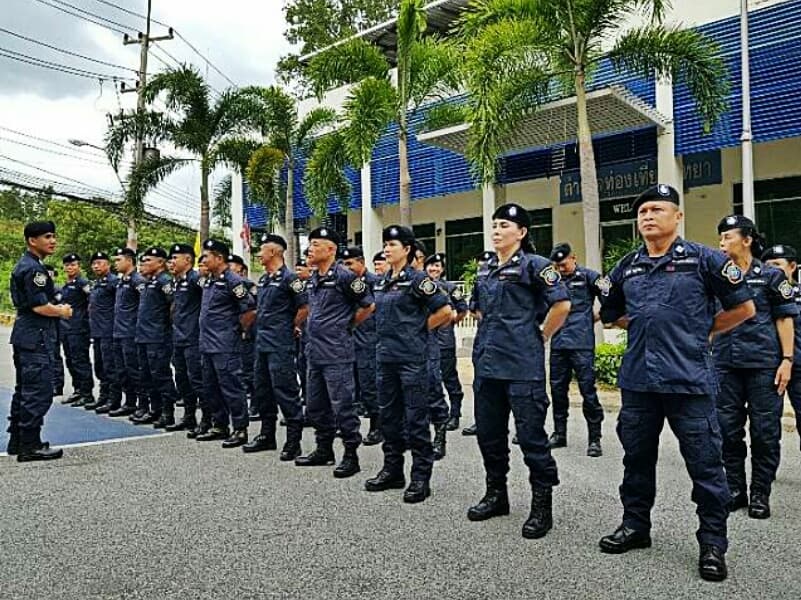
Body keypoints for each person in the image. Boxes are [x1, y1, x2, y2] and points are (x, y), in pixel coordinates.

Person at [598, 185, 756, 582]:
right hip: (638, 381)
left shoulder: (705, 260)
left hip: (689, 380)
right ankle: (635, 527)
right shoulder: (627, 265)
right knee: (636, 460)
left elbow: (744, 308)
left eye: (656, 209)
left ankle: (713, 545)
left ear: (677, 216)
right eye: (643, 211)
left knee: (705, 466)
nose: (647, 216)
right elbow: (610, 313)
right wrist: (638, 327)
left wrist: (704, 331)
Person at [466, 204, 570, 540]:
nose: (497, 230)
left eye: (505, 225)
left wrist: (541, 335)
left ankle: (542, 505)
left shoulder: (536, 266)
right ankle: (496, 494)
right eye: (494, 225)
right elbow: (479, 309)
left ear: (522, 233)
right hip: (488, 365)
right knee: (489, 436)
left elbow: (562, 304)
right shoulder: (485, 269)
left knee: (530, 438)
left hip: (523, 366)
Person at [713, 215, 797, 519]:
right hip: (725, 363)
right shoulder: (717, 275)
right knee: (727, 430)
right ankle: (735, 489)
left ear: (747, 240)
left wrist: (787, 360)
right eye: (720, 238)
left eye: (728, 237)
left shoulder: (771, 276)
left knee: (765, 431)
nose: (722, 243)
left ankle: (761, 492)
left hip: (764, 364)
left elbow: (784, 318)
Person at [365, 226, 452, 502]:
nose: (387, 249)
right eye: (386, 244)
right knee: (389, 418)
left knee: (416, 419)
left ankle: (420, 478)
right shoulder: (382, 281)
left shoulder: (419, 280)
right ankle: (392, 470)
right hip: (386, 359)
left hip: (412, 360)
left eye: (393, 244)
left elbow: (445, 311)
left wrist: (418, 330)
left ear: (407, 249)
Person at [294, 227, 374, 478]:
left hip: (336, 352)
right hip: (314, 352)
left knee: (342, 405)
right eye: (310, 244)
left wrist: (347, 326)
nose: (310, 248)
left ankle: (351, 455)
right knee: (316, 405)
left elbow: (368, 305)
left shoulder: (345, 276)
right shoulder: (315, 276)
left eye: (316, 244)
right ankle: (324, 449)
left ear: (331, 249)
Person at [7, 220, 71, 461]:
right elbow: (39, 306)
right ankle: (30, 445)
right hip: (37, 337)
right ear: (32, 241)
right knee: (38, 391)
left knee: (24, 390)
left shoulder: (28, 265)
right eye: (47, 236)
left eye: (54, 236)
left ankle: (18, 440)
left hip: (28, 336)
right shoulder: (34, 269)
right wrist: (62, 311)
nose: (52, 241)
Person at [244, 233, 308, 460]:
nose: (259, 254)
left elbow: (304, 307)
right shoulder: (264, 279)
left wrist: (291, 326)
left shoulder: (291, 278)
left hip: (280, 343)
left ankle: (293, 441)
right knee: (262, 390)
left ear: (273, 252)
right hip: (262, 343)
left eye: (262, 250)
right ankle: (267, 435)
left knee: (285, 390)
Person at [195, 240, 256, 447]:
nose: (203, 260)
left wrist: (238, 330)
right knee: (211, 388)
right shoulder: (209, 280)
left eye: (206, 256)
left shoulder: (233, 280)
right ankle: (219, 425)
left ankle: (240, 428)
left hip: (225, 344)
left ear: (219, 258)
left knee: (231, 387)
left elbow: (249, 310)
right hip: (207, 344)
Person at [547, 243, 605, 457]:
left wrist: (597, 317)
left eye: (563, 264)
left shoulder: (589, 276)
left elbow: (610, 295)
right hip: (559, 343)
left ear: (574, 257)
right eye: (557, 266)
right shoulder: (553, 280)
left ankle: (594, 439)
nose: (561, 269)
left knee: (588, 392)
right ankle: (559, 434)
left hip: (581, 344)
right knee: (557, 391)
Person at [411, 242, 450, 460]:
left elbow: (447, 313)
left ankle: (440, 435)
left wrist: (418, 329)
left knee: (433, 389)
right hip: (403, 350)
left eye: (417, 258)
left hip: (426, 346)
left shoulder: (429, 286)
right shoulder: (398, 282)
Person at [131, 247, 178, 427]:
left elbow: (173, 303)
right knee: (147, 375)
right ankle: (155, 409)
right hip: (143, 336)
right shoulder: (149, 281)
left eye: (148, 260)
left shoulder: (164, 280)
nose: (144, 264)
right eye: (142, 261)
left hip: (158, 336)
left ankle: (168, 412)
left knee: (161, 375)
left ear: (160, 262)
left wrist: (166, 324)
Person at [341, 245, 383, 445]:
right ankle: (351, 427)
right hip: (349, 341)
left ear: (361, 262)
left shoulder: (375, 282)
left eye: (350, 263)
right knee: (350, 388)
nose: (347, 268)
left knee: (369, 387)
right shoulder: (345, 284)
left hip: (370, 341)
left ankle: (377, 426)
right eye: (344, 264)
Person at [762, 244, 801, 450]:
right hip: (770, 366)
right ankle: (767, 474)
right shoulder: (761, 295)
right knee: (766, 425)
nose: (771, 270)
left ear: (792, 266)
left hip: (798, 366)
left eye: (777, 265)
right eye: (767, 265)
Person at [167, 244, 208, 436]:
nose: (172, 262)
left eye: (176, 257)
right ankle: (189, 416)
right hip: (179, 337)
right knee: (182, 379)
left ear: (188, 260)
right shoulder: (177, 281)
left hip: (193, 337)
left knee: (197, 380)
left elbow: (208, 300)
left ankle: (207, 419)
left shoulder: (196, 279)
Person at [424, 253, 469, 431]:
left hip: (445, 342)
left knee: (449, 378)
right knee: (429, 380)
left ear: (442, 269)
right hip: (426, 342)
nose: (433, 269)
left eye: (437, 266)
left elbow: (463, 309)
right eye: (430, 265)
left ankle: (455, 414)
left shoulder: (450, 288)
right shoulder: (423, 287)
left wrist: (449, 323)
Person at [462, 250, 496, 438]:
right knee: (480, 383)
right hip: (483, 337)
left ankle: (518, 427)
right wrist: (483, 317)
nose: (484, 271)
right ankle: (480, 421)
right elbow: (472, 308)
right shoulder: (479, 281)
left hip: (505, 339)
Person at [108, 247, 144, 418]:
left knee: (134, 370)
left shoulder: (137, 280)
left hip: (130, 332)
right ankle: (129, 402)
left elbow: (145, 305)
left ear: (129, 261)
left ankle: (142, 403)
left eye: (118, 260)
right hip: (118, 332)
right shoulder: (122, 281)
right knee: (122, 371)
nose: (115, 263)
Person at [86, 251, 121, 411]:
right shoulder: (96, 283)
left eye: (100, 263)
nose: (96, 266)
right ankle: (103, 395)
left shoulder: (114, 282)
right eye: (94, 263)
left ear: (108, 264)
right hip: (97, 331)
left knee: (110, 367)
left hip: (109, 331)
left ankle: (113, 400)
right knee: (100, 366)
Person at [59, 253, 94, 407]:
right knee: (70, 360)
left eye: (72, 265)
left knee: (81, 361)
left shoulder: (83, 283)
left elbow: (92, 301)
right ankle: (77, 389)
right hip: (66, 328)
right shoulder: (66, 284)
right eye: (67, 265)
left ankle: (87, 394)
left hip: (79, 328)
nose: (69, 267)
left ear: (78, 266)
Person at [228, 254, 257, 418]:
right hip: (233, 333)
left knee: (250, 370)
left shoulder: (247, 285)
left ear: (241, 269)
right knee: (240, 372)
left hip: (249, 333)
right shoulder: (226, 284)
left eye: (233, 266)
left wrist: (245, 329)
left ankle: (255, 404)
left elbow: (253, 309)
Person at [46, 264, 65, 398]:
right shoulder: (39, 289)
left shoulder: (56, 289)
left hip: (55, 325)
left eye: (50, 273)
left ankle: (57, 385)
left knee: (54, 354)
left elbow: (57, 305)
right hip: (43, 326)